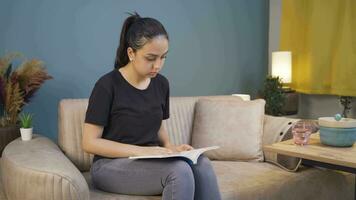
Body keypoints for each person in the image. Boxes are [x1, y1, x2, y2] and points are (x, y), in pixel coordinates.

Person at [82, 12, 221, 200]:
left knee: (202, 164)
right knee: (178, 171)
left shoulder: (161, 84)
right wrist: (142, 151)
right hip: (109, 165)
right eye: (151, 58)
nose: (158, 65)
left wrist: (171, 147)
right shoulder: (107, 85)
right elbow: (89, 142)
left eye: (163, 57)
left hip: (149, 160)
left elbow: (157, 124)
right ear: (131, 53)